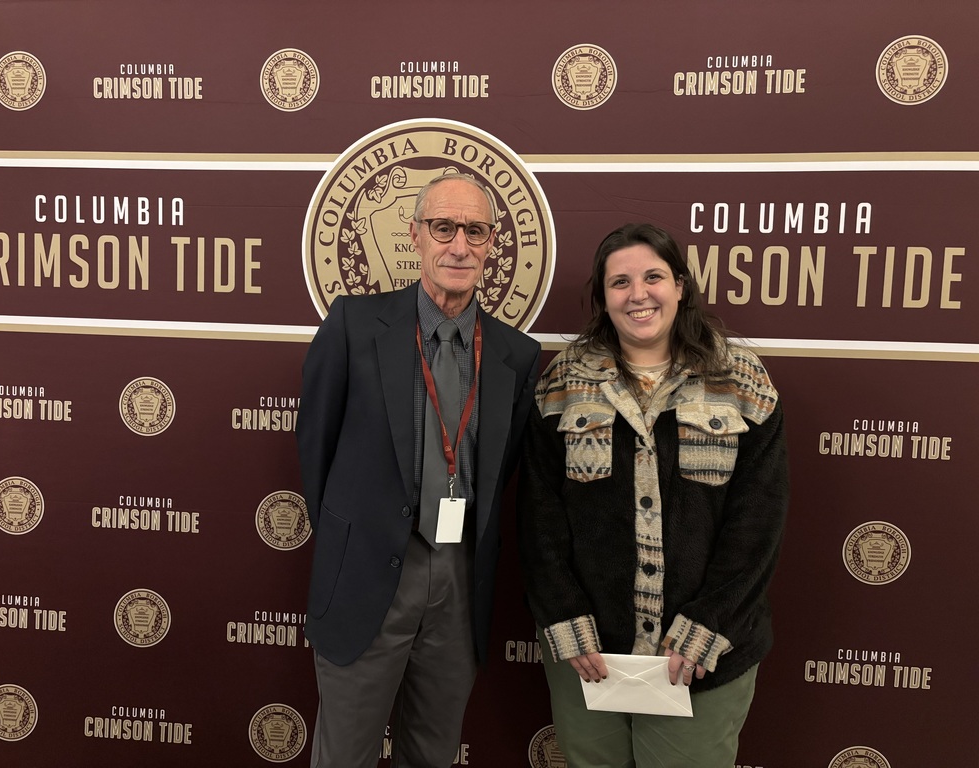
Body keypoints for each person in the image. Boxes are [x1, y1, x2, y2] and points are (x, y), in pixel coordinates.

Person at [517, 222, 788, 768]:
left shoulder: (741, 379)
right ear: (603, 297)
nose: (638, 294)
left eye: (653, 277)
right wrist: (567, 620)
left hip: (703, 659)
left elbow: (757, 521)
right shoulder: (562, 381)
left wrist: (707, 624)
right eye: (620, 282)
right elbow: (538, 515)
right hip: (589, 656)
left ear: (681, 286)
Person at [296, 173, 541, 768]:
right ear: (415, 235)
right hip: (368, 575)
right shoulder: (355, 325)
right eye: (444, 228)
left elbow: (501, 475)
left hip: (458, 584)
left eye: (475, 232)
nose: (460, 245)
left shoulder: (517, 354)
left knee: (431, 755)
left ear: (490, 245)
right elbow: (316, 453)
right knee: (343, 757)